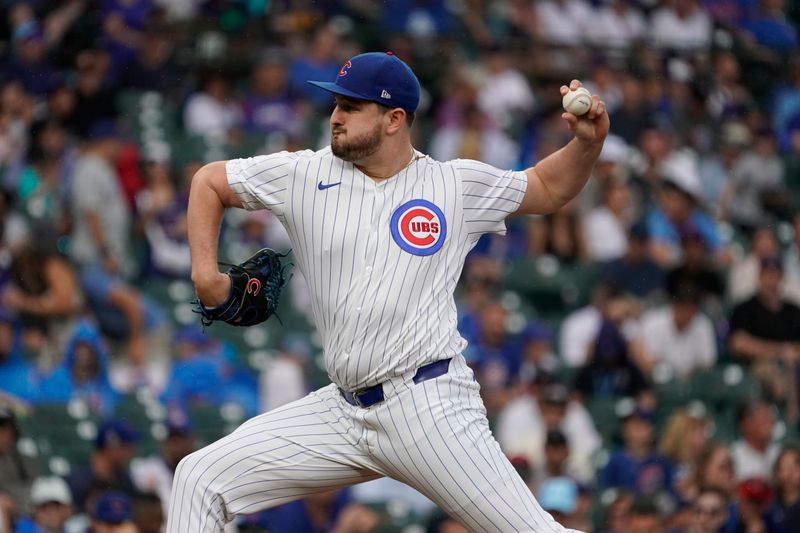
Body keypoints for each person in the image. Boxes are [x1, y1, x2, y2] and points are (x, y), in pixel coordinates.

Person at [168, 51, 609, 532]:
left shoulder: (452, 185)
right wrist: (206, 276)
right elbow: (209, 181)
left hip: (428, 406)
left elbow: (546, 186)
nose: (335, 117)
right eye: (336, 104)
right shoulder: (304, 174)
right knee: (199, 478)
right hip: (340, 412)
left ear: (395, 119)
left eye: (352, 107)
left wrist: (587, 145)